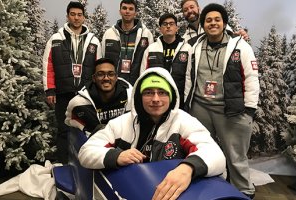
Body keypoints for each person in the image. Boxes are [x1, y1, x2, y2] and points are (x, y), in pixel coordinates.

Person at [78, 67, 226, 200]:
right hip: (132, 190)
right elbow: (86, 152)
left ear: (171, 96)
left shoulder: (184, 122)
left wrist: (188, 169)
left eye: (162, 92)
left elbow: (215, 154)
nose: (156, 99)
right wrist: (117, 156)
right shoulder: (121, 123)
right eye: (149, 93)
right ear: (139, 96)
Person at [184, 3, 259, 199]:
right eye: (208, 20)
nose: (213, 23)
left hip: (230, 111)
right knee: (201, 151)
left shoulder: (240, 46)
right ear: (204, 24)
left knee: (236, 158)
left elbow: (251, 78)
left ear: (224, 23)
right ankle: (209, 192)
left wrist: (249, 110)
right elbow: (189, 78)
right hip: (200, 107)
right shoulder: (195, 47)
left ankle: (244, 193)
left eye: (217, 19)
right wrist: (186, 104)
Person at [42, 1, 102, 164]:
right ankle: (63, 163)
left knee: (87, 129)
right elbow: (48, 65)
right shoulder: (56, 39)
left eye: (79, 15)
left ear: (84, 17)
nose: (76, 18)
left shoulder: (93, 41)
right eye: (73, 14)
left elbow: (99, 68)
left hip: (85, 94)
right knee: (63, 130)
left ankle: (84, 165)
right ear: (67, 16)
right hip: (63, 92)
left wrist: (97, 91)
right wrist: (50, 90)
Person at [65, 58, 133, 137]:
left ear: (116, 77)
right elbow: (69, 120)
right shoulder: (79, 102)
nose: (106, 78)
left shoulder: (130, 97)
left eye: (110, 74)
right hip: (92, 143)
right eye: (101, 74)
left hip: (123, 142)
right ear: (94, 78)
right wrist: (86, 129)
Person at [140, 13, 192, 109]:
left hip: (179, 98)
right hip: (156, 98)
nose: (168, 26)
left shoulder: (187, 48)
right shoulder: (151, 49)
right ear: (160, 29)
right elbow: (143, 73)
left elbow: (189, 77)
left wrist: (186, 100)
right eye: (165, 24)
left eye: (171, 24)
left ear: (176, 28)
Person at [101, 0, 154, 85]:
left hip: (136, 85)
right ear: (120, 11)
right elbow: (102, 59)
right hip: (113, 86)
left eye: (131, 9)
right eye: (124, 8)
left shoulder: (146, 34)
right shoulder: (109, 34)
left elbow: (150, 63)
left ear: (135, 12)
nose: (127, 11)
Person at [181, 0, 249, 45]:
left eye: (192, 7)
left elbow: (231, 39)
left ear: (199, 8)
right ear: (183, 14)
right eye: (185, 10)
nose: (189, 11)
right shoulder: (185, 39)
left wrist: (239, 37)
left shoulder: (215, 25)